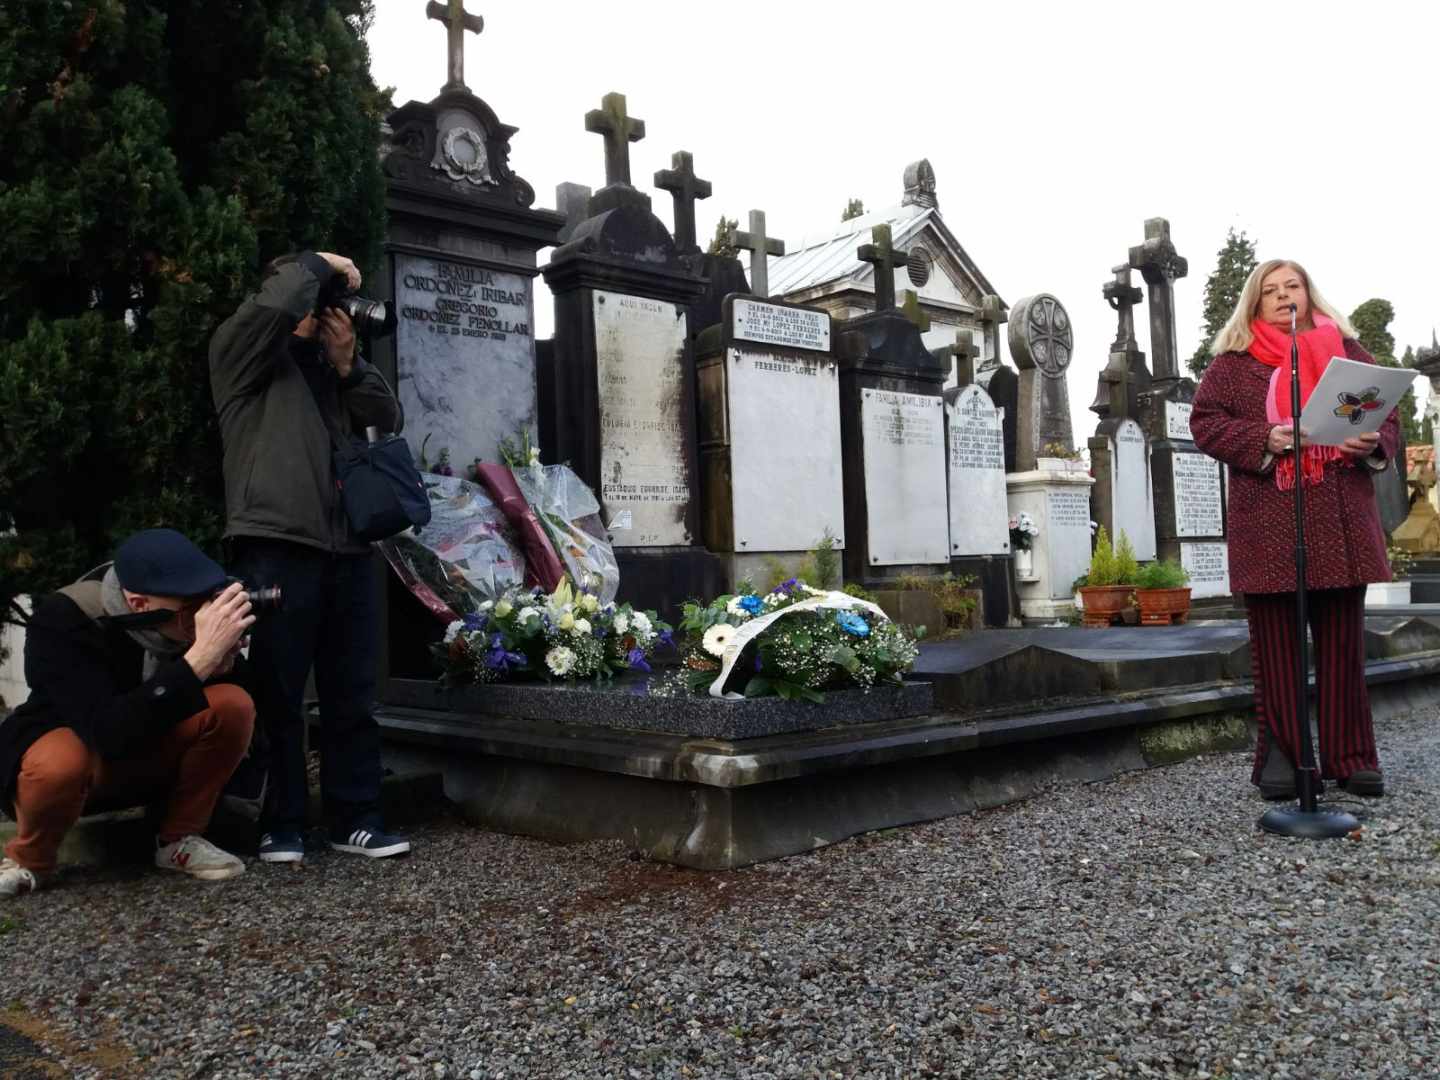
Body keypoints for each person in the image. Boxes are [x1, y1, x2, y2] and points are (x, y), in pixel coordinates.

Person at [209, 251, 409, 862]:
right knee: (277, 692)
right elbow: (271, 306)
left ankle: (355, 816)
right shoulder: (243, 360)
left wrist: (349, 363)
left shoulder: (330, 370)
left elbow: (387, 416)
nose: (321, 310)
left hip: (348, 545)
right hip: (275, 542)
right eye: (313, 297)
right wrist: (317, 264)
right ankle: (282, 821)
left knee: (352, 690)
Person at [1191, 259, 1396, 800]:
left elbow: (1385, 416)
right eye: (1271, 290)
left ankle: (1350, 757)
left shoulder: (1348, 354)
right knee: (1277, 646)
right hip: (1270, 519)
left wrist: (1372, 443)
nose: (1284, 297)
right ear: (1255, 304)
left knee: (1342, 644)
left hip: (1340, 516)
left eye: (1293, 286)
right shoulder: (1232, 365)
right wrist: (1267, 439)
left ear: (1308, 294)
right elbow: (1206, 423)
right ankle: (1284, 754)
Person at [0, 529, 256, 897]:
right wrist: (195, 664)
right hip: (83, 759)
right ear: (139, 604)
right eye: (189, 608)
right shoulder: (66, 618)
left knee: (232, 703)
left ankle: (179, 840)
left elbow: (246, 710)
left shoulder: (177, 625)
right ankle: (31, 860)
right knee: (60, 761)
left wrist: (226, 660)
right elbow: (106, 733)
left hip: (148, 755)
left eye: (207, 601)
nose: (202, 615)